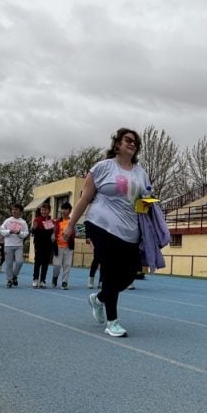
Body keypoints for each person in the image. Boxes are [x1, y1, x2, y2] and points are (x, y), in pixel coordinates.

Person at [66, 128, 152, 337]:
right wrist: (70, 225)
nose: (132, 143)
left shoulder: (141, 174)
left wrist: (150, 208)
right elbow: (85, 199)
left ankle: (99, 298)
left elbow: (145, 202)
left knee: (129, 274)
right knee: (111, 271)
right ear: (117, 144)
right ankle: (112, 322)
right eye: (128, 139)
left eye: (136, 141)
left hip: (130, 230)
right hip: (101, 224)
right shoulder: (102, 168)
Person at [0, 204, 29, 287]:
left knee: (19, 262)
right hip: (8, 245)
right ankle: (9, 280)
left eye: (16, 209)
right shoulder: (7, 221)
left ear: (20, 211)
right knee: (9, 264)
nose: (14, 211)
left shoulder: (23, 222)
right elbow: (1, 231)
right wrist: (9, 231)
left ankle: (14, 276)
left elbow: (26, 233)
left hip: (19, 245)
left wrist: (19, 233)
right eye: (13, 209)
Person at [30, 204, 55, 288]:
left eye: (45, 210)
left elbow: (53, 232)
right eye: (42, 210)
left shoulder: (51, 221)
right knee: (38, 262)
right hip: (39, 244)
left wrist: (53, 235)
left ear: (49, 211)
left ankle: (42, 280)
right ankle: (35, 279)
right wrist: (33, 228)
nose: (43, 212)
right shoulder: (37, 220)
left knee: (45, 263)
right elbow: (33, 232)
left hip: (48, 245)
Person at [52, 202, 74, 288]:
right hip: (58, 246)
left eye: (66, 209)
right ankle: (55, 277)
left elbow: (75, 232)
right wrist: (53, 236)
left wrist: (70, 236)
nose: (63, 211)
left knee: (67, 264)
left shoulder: (72, 222)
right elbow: (53, 232)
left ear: (69, 211)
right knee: (57, 265)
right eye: (62, 209)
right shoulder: (57, 221)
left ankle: (64, 281)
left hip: (69, 246)